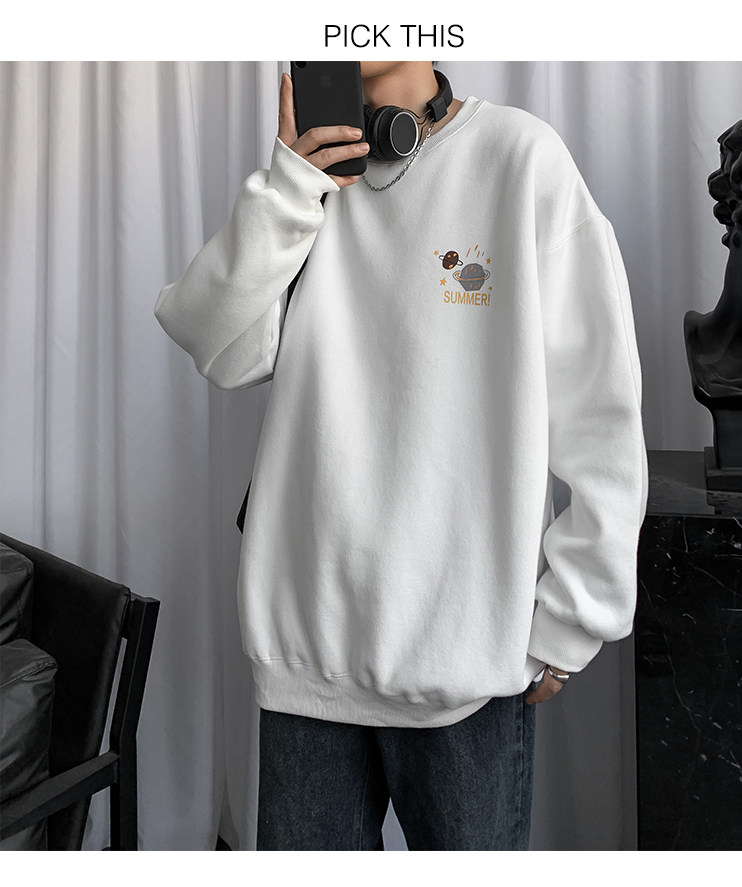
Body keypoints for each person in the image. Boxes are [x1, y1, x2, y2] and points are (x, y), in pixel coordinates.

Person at [154, 61, 648, 851]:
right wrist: (290, 188)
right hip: (306, 662)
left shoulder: (520, 158)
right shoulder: (311, 184)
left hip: (467, 666)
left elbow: (602, 409)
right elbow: (217, 344)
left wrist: (574, 615)